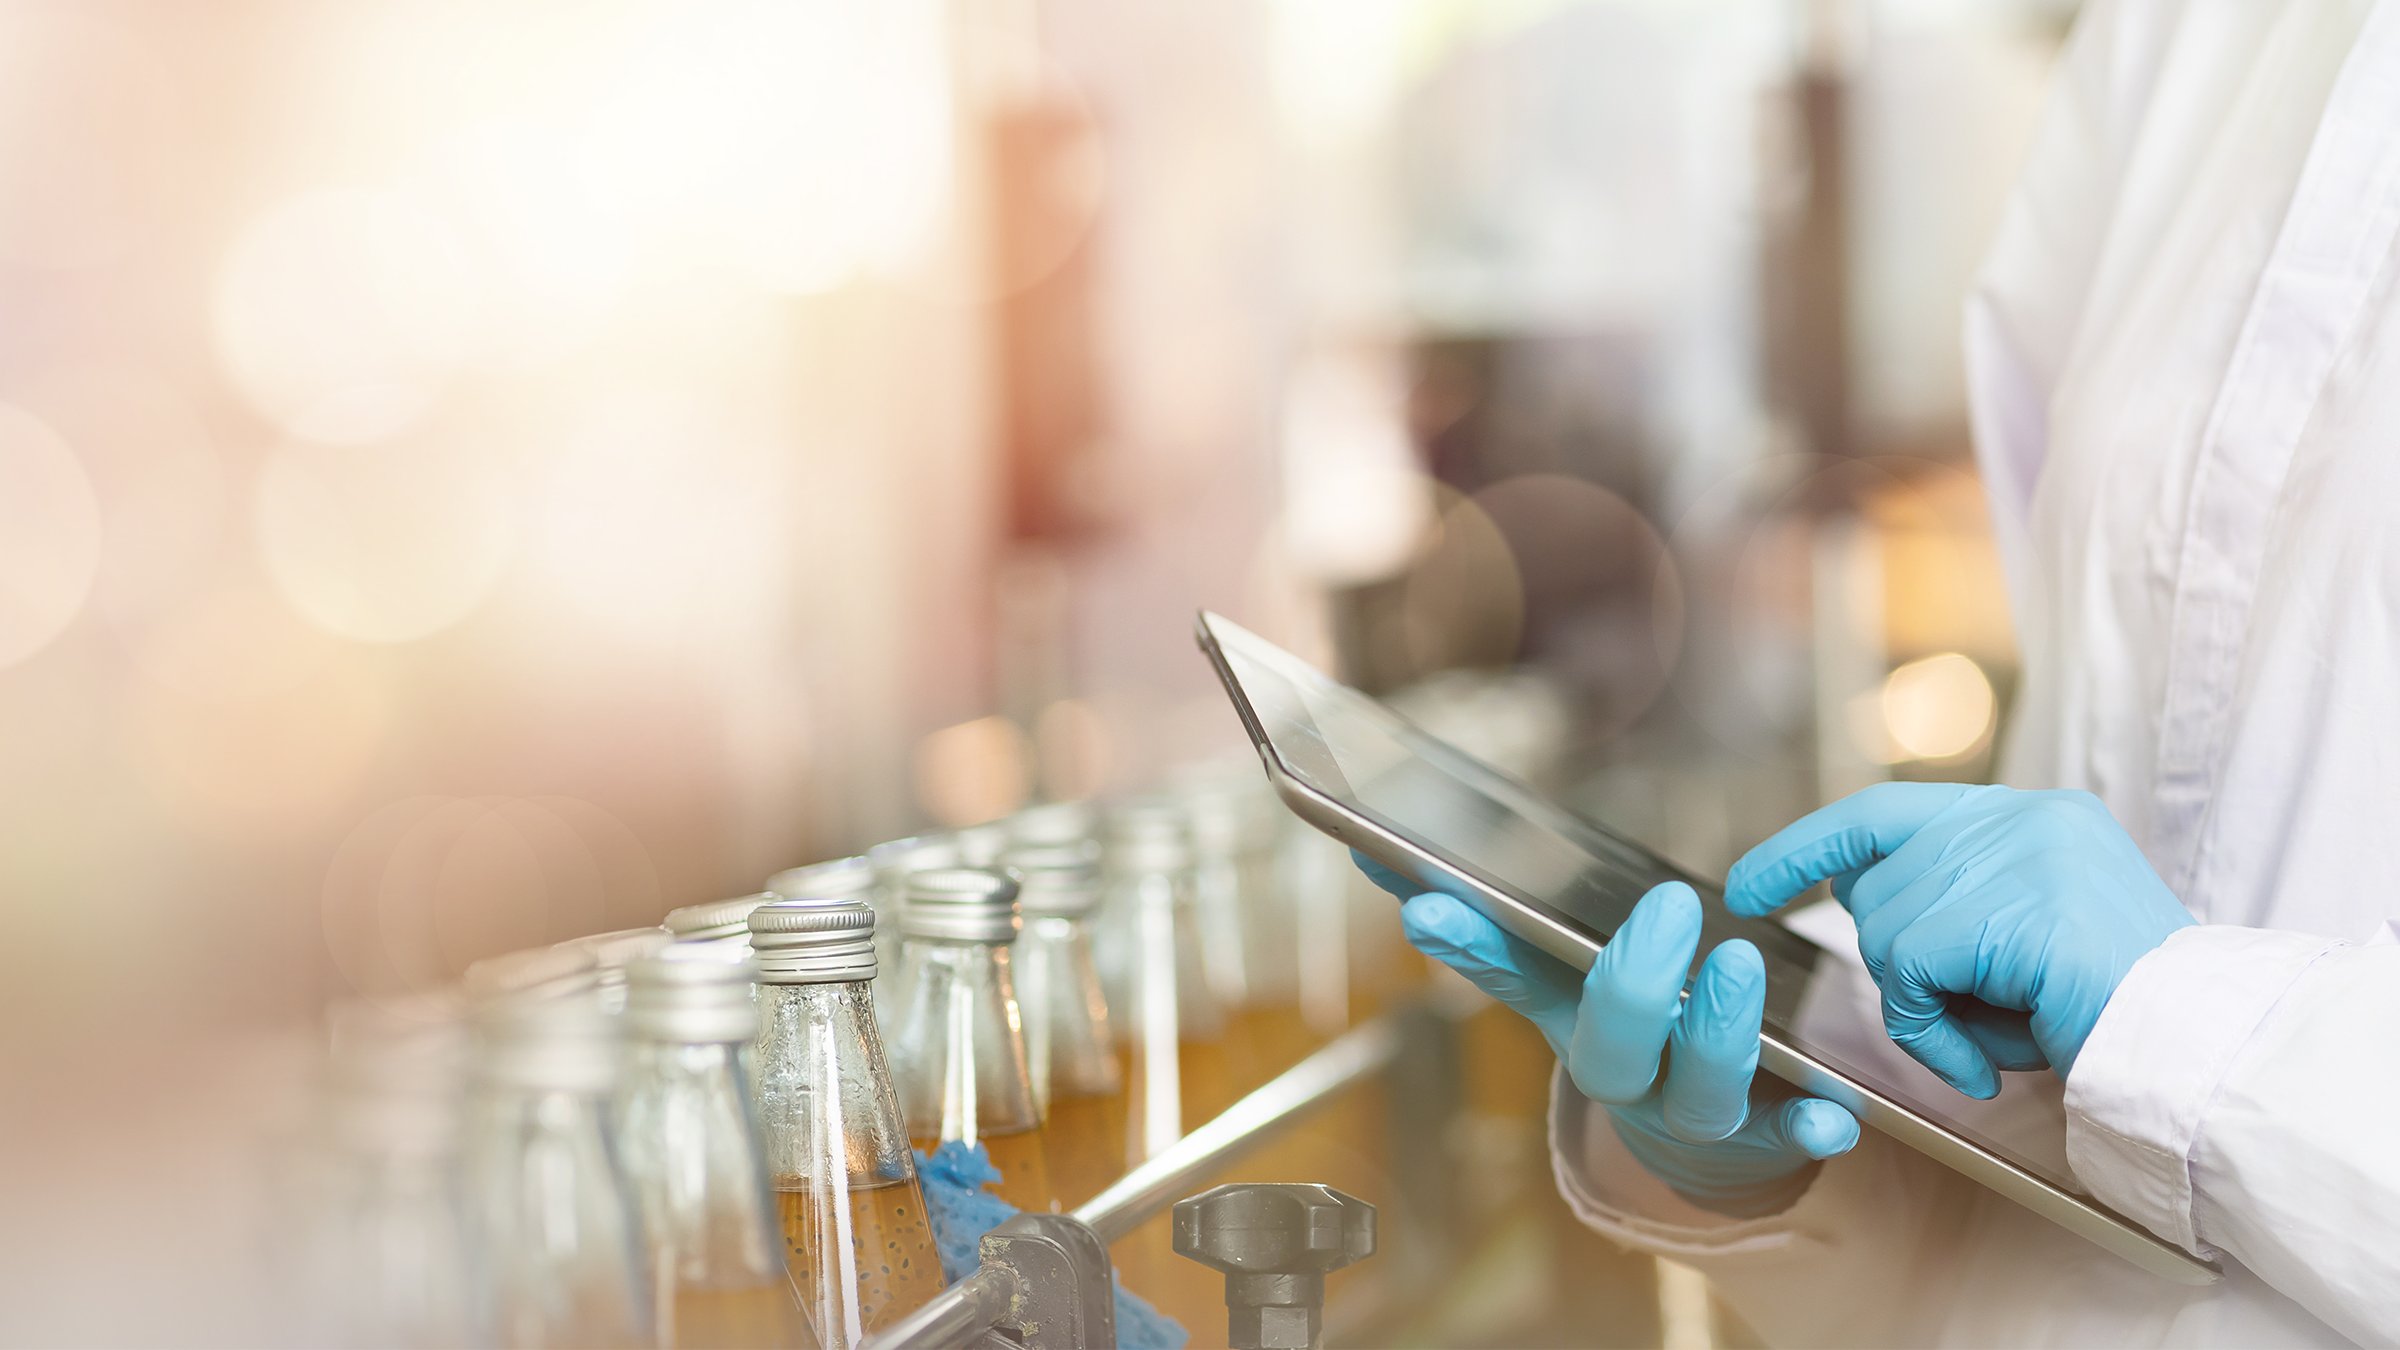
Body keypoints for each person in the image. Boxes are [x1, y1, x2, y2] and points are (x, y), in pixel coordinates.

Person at [1365, 2, 2400, 1344]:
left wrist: (2194, 1029)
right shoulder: (2180, 38)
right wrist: (1796, 1144)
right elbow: (2075, 1140)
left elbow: (2148, 1034)